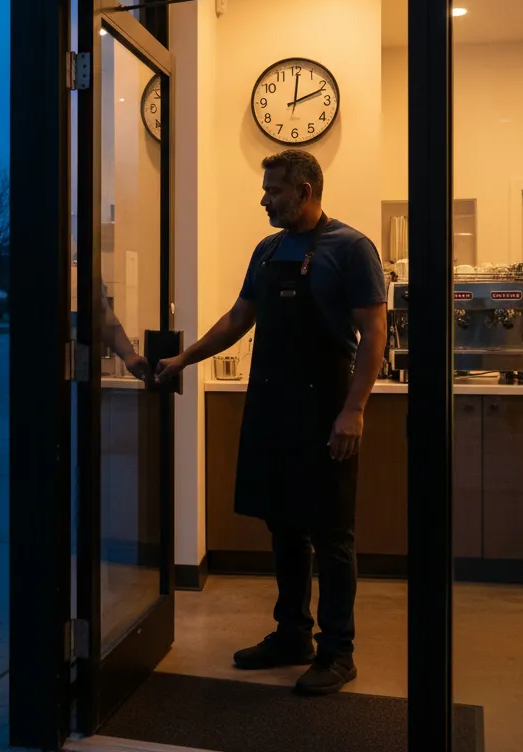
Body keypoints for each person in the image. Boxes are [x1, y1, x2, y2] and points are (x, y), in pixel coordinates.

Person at [155, 149, 387, 695]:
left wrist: (353, 409)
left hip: (327, 408)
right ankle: (292, 634)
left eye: (274, 190)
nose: (264, 198)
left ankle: (337, 650)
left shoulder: (352, 249)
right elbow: (240, 318)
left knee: (331, 535)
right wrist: (184, 358)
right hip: (273, 406)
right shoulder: (268, 250)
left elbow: (373, 334)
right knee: (282, 525)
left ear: (304, 192)